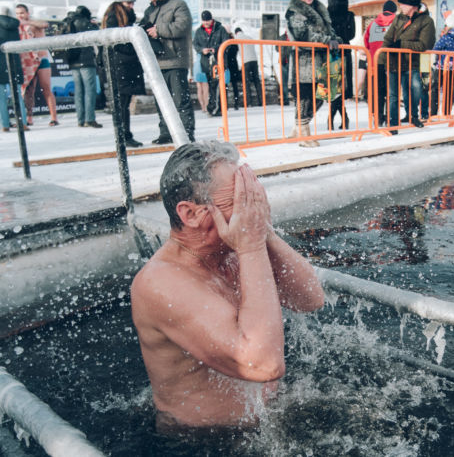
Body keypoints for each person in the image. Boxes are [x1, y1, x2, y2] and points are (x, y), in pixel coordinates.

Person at [131, 140, 324, 429]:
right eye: (238, 200)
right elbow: (264, 365)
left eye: (251, 196)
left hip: (265, 419)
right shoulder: (160, 282)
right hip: (204, 441)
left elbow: (309, 300)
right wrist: (251, 247)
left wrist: (264, 233)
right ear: (190, 214)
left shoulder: (229, 250)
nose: (250, 209)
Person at [284, 0, 341, 147]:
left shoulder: (318, 8)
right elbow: (302, 34)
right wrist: (325, 40)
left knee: (321, 96)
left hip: (321, 60)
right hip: (304, 62)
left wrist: (335, 39)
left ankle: (297, 128)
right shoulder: (294, 11)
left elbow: (329, 30)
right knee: (305, 97)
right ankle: (303, 133)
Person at [141, 0, 195, 144]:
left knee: (180, 99)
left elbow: (183, 26)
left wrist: (159, 30)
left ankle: (186, 133)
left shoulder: (178, 5)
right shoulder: (150, 10)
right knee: (161, 101)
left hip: (175, 60)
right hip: (157, 61)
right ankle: (165, 132)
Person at [382, 0, 436, 130]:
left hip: (413, 63)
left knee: (416, 90)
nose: (400, 6)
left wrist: (401, 45)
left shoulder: (426, 21)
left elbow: (424, 45)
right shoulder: (399, 18)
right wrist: (382, 59)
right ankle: (393, 124)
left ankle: (414, 115)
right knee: (393, 96)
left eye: (403, 4)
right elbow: (388, 38)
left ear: (412, 5)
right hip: (394, 62)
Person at [101, 0, 145, 148]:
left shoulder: (122, 17)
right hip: (121, 65)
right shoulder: (115, 18)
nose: (131, 6)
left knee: (123, 103)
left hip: (122, 65)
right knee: (122, 103)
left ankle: (123, 134)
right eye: (129, 3)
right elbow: (117, 43)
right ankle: (123, 135)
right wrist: (134, 47)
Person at [15, 4, 59, 128]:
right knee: (28, 90)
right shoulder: (17, 26)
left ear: (27, 13)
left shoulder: (34, 23)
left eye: (22, 13)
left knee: (46, 88)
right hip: (28, 60)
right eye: (17, 13)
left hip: (42, 58)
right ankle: (29, 118)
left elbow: (45, 24)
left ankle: (54, 117)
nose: (20, 16)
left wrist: (27, 22)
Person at [63, 5, 102, 128]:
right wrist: (95, 24)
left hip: (73, 61)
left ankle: (80, 119)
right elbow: (97, 34)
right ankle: (89, 119)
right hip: (86, 61)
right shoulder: (84, 21)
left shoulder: (68, 21)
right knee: (90, 90)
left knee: (78, 91)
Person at [364, 0, 397, 126]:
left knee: (378, 91)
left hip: (375, 63)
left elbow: (366, 43)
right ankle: (390, 118)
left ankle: (377, 118)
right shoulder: (397, 22)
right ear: (394, 11)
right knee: (391, 92)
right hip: (392, 62)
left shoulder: (372, 24)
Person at [193, 11, 230, 117]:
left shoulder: (220, 29)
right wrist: (202, 50)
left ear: (211, 19)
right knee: (210, 86)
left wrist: (216, 49)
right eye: (204, 21)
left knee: (219, 85)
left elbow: (226, 43)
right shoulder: (199, 31)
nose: (206, 23)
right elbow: (195, 44)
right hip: (206, 63)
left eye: (208, 20)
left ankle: (218, 108)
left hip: (218, 62)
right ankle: (212, 107)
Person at [327, 0, 355, 129]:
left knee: (333, 89)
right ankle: (342, 118)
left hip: (331, 53)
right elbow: (351, 35)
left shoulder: (326, 14)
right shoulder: (349, 15)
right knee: (340, 88)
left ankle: (333, 119)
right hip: (345, 52)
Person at [430, 11, 454, 117]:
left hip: (442, 66)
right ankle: (447, 112)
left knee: (435, 89)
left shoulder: (446, 37)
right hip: (453, 67)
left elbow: (436, 48)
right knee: (449, 90)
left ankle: (433, 113)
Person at [0, 6, 27, 132]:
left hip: (0, 64)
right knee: (17, 96)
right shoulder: (15, 25)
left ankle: (5, 125)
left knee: (1, 98)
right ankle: (23, 123)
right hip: (14, 62)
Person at [233, 27, 263, 107]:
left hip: (246, 61)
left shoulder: (236, 39)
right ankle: (261, 101)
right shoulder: (249, 37)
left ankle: (249, 102)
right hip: (254, 60)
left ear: (236, 33)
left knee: (246, 82)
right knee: (256, 80)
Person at [224, 31, 241, 111]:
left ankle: (225, 104)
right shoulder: (234, 43)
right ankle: (236, 103)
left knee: (225, 85)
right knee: (234, 86)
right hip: (234, 65)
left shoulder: (225, 44)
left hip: (227, 65)